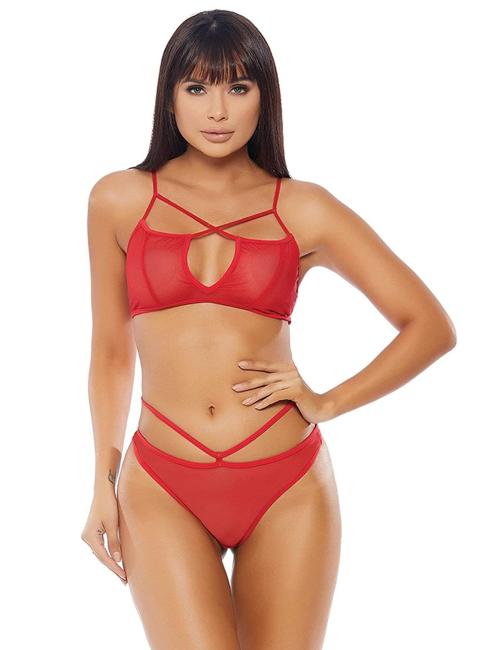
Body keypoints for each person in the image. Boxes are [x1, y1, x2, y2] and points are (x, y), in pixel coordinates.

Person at [81, 9, 457, 649]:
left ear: (265, 96)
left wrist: (326, 401)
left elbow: (429, 326)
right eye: (197, 88)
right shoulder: (118, 200)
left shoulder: (304, 207)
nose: (217, 110)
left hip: (287, 485)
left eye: (238, 86)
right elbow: (112, 351)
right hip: (162, 482)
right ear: (169, 97)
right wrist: (101, 480)